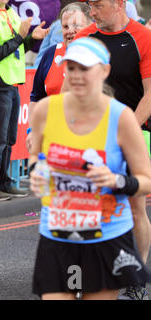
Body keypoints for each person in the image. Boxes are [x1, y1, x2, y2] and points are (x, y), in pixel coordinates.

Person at [29, 37, 151, 300]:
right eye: (71, 68)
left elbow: (146, 180)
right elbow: (34, 156)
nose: (76, 76)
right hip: (58, 233)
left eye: (85, 68)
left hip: (105, 237)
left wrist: (116, 180)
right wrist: (35, 173)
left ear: (104, 71)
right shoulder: (46, 110)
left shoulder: (121, 117)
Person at [72, 0, 151, 300]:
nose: (92, 12)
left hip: (133, 132)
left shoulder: (142, 37)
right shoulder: (84, 39)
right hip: (91, 134)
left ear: (119, 4)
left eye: (98, 6)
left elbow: (150, 92)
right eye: (90, 6)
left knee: (134, 207)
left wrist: (124, 131)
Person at [0, 0, 48, 201]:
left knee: (9, 139)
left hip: (12, 82)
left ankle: (4, 183)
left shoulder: (10, 12)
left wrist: (31, 38)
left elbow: (17, 47)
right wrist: (21, 36)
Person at [30, 3, 92, 109]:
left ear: (90, 26)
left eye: (76, 25)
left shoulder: (102, 54)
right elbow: (36, 99)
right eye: (65, 27)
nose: (70, 31)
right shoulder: (50, 54)